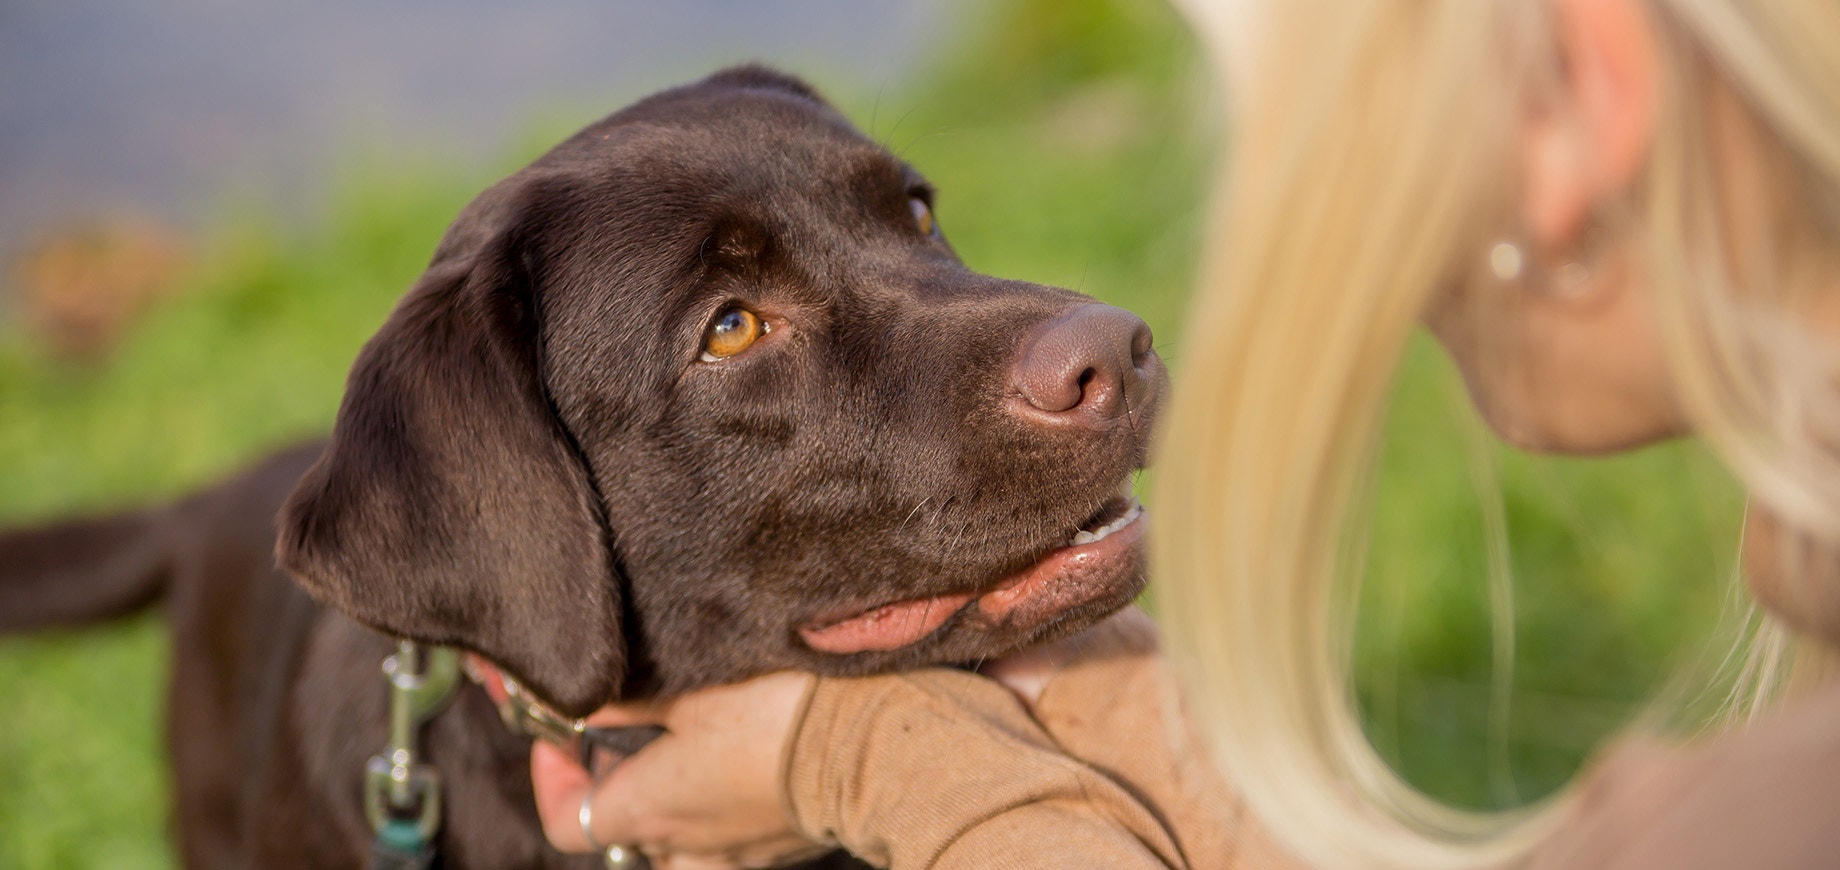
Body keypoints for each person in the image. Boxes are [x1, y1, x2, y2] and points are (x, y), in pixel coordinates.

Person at [531, 0, 1840, 867]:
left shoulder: (1761, 817)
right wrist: (1080, 694)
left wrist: (853, 750)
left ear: (1573, 87)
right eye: (737, 326)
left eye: (1289, 126)